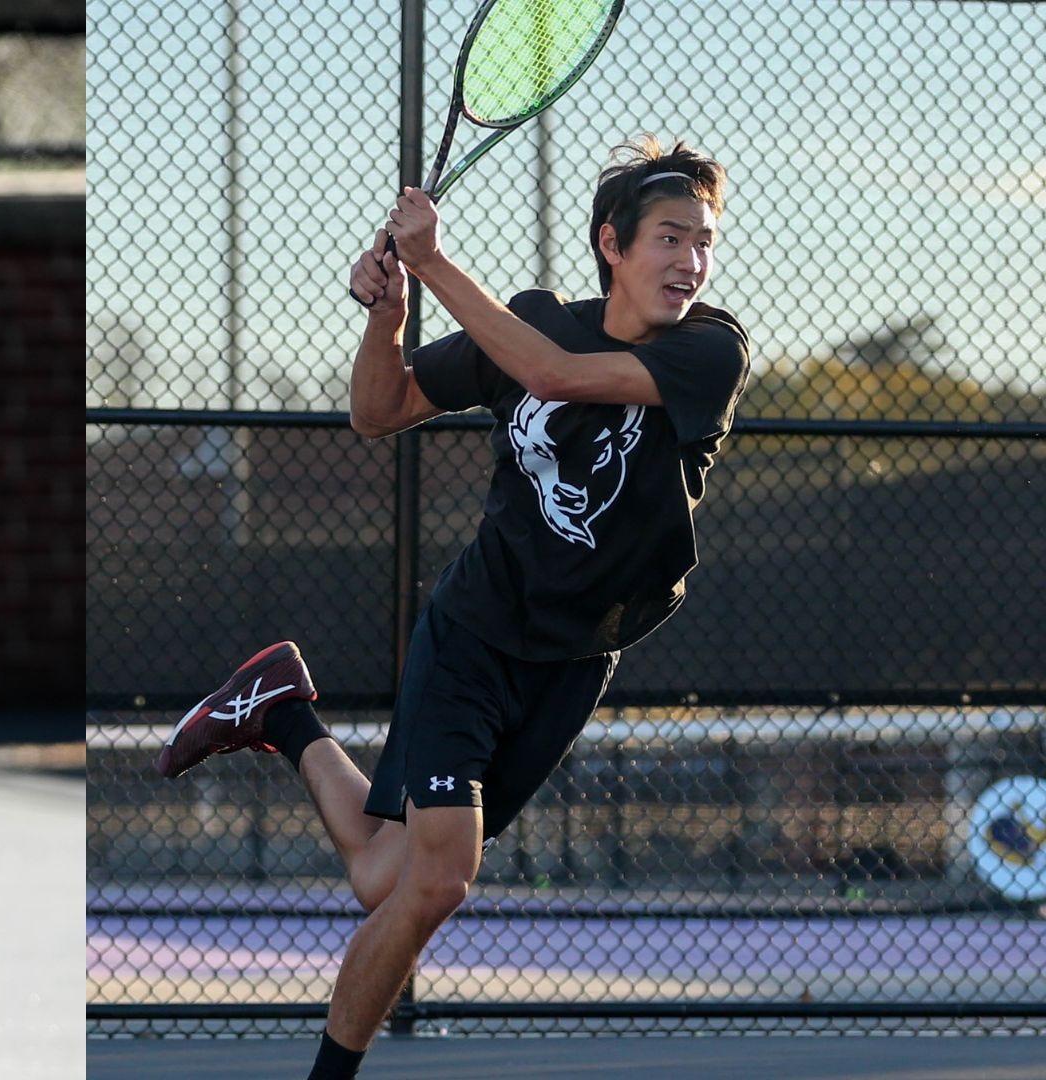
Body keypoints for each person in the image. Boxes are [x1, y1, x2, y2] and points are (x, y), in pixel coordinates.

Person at [156, 136, 749, 1078]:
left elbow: (555, 377)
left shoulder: (710, 351)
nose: (691, 261)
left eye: (704, 242)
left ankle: (281, 711)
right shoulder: (533, 321)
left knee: (383, 876)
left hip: (575, 662)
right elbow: (378, 409)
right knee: (439, 880)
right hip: (474, 633)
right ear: (613, 244)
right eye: (670, 238)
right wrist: (388, 317)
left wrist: (431, 260)